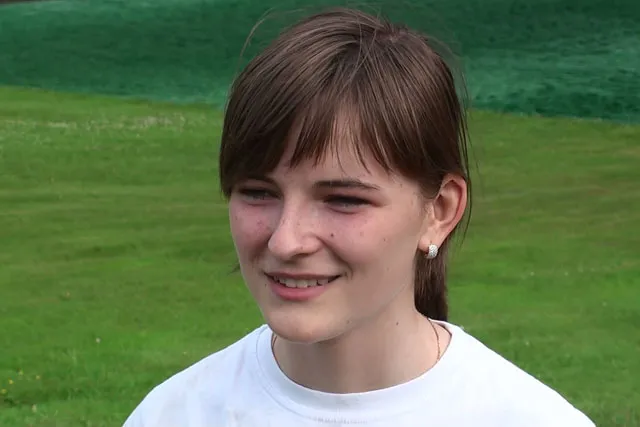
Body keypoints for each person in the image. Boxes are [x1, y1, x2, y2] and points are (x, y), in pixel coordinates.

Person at [123, 7, 595, 427]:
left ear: (440, 210)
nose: (286, 241)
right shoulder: (172, 414)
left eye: (343, 200)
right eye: (258, 193)